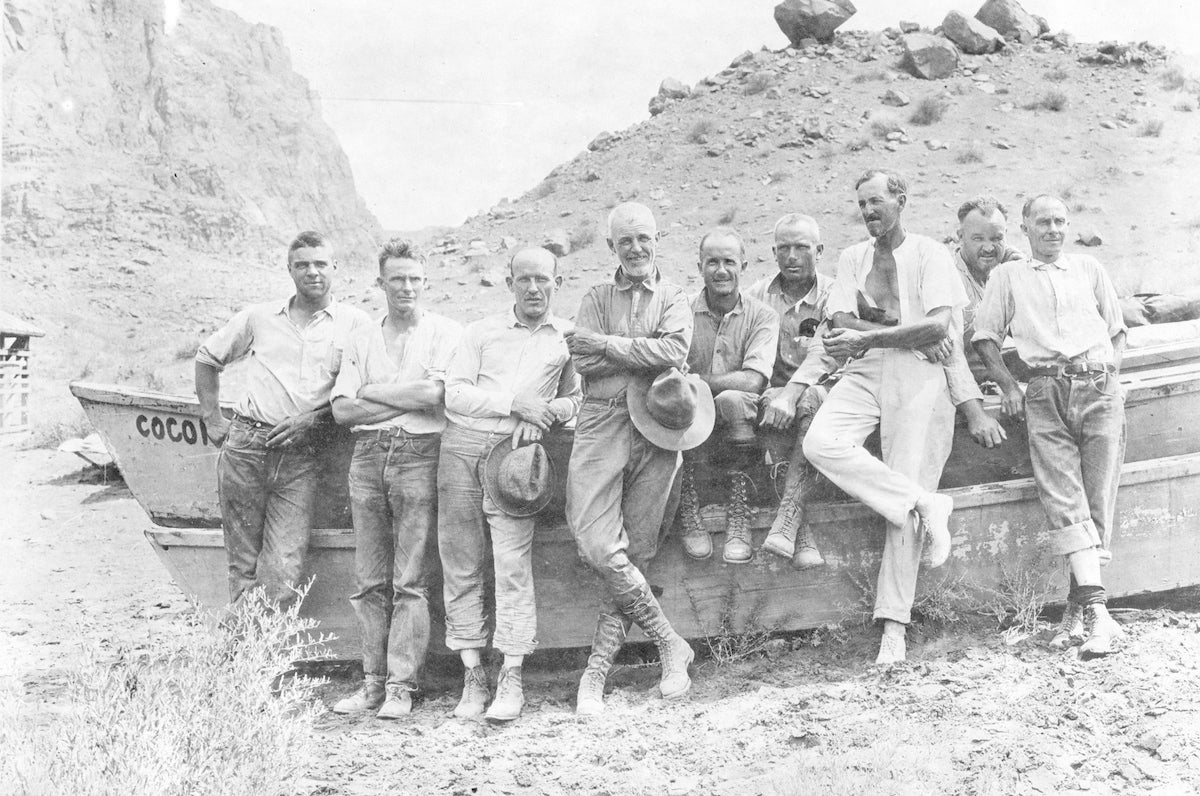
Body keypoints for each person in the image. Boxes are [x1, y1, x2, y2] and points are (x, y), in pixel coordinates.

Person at [801, 170, 983, 665]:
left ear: (901, 200)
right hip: (864, 371)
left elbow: (940, 326)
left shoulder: (929, 253)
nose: (867, 211)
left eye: (876, 201)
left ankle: (894, 627)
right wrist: (895, 333)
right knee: (821, 443)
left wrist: (873, 333)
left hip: (918, 374)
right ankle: (926, 502)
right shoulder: (852, 257)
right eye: (861, 204)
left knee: (903, 479)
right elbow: (838, 324)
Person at [972, 194, 1127, 656]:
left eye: (1060, 221)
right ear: (1026, 228)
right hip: (1044, 392)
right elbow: (985, 340)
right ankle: (1100, 614)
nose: (1053, 230)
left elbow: (1117, 331)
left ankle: (1078, 610)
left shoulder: (1089, 269)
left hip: (1098, 388)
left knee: (1097, 497)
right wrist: (1010, 388)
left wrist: (1112, 377)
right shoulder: (1007, 276)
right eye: (1043, 222)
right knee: (1063, 496)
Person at [564, 202, 698, 716]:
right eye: (626, 241)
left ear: (657, 239)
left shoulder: (674, 296)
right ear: (611, 248)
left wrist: (609, 345)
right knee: (599, 544)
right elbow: (582, 356)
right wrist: (637, 348)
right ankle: (669, 640)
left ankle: (596, 671)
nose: (636, 248)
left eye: (644, 238)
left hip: (659, 424)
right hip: (600, 421)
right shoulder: (596, 297)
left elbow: (674, 352)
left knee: (635, 551)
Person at [437, 247, 581, 722]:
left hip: (517, 462)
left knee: (512, 564)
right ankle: (473, 674)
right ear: (509, 284)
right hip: (462, 448)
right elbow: (454, 391)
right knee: (460, 561)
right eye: (524, 280)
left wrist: (546, 415)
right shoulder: (479, 331)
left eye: (543, 279)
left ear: (557, 283)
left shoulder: (567, 340)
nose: (534, 288)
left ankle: (512, 675)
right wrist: (514, 403)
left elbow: (576, 400)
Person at [195, 230, 370, 612]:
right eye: (303, 265)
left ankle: (247, 653)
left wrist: (314, 420)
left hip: (302, 457)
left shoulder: (355, 323)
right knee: (242, 564)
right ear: (289, 269)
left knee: (283, 569)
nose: (313, 272)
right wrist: (212, 418)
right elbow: (208, 359)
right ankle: (250, 666)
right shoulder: (259, 317)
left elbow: (363, 391)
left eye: (321, 264)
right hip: (246, 448)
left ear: (335, 269)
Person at [328, 239, 461, 718]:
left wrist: (375, 393)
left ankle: (402, 687)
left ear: (425, 283)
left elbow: (434, 395)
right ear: (380, 282)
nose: (406, 287)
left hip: (419, 455)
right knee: (368, 579)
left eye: (414, 279)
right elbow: (342, 409)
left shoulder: (445, 332)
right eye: (396, 279)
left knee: (410, 579)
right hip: (366, 457)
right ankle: (371, 684)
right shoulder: (363, 336)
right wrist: (398, 399)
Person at [676, 227, 779, 563]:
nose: (721, 270)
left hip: (739, 414)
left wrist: (698, 380)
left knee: (732, 399)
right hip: (692, 415)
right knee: (675, 399)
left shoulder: (762, 315)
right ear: (700, 266)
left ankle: (740, 505)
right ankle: (687, 500)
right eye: (712, 262)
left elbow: (752, 381)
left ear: (743, 265)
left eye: (729, 262)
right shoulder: (681, 313)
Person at [751, 214, 836, 568]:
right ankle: (796, 530)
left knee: (811, 400)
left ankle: (789, 514)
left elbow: (825, 353)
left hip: (824, 391)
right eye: (784, 248)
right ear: (773, 252)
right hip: (776, 396)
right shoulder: (758, 295)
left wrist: (791, 394)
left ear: (818, 250)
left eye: (801, 247)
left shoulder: (834, 293)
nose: (792, 256)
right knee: (770, 400)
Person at [952, 196, 1024, 382]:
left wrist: (1025, 272)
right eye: (978, 239)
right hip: (960, 381)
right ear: (961, 236)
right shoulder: (949, 278)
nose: (988, 247)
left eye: (996, 238)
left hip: (992, 372)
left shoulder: (1003, 272)